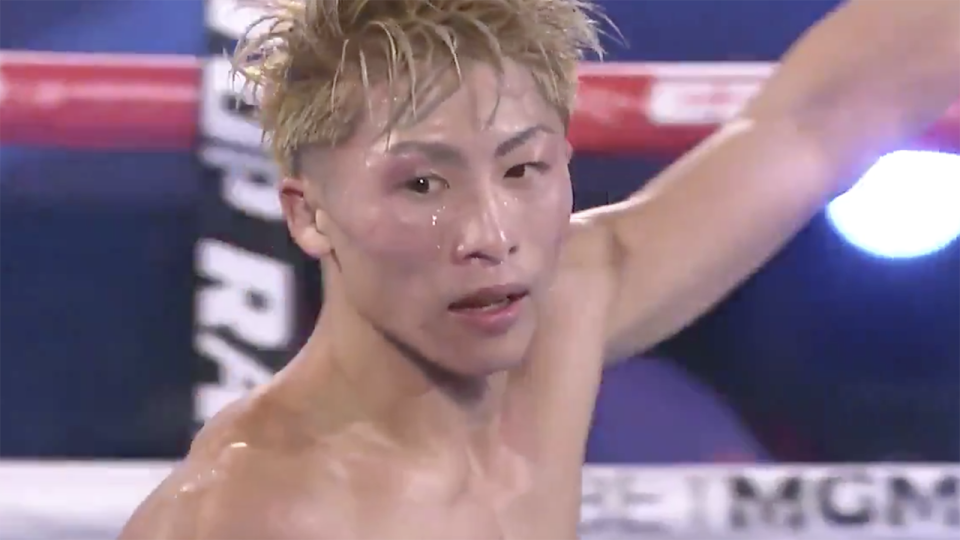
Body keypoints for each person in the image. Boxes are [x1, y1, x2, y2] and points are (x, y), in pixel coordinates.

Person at [119, 0, 960, 538]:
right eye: (422, 183)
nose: (490, 232)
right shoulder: (260, 513)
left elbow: (825, 118)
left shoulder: (561, 310)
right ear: (309, 214)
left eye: (522, 170)